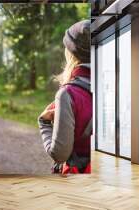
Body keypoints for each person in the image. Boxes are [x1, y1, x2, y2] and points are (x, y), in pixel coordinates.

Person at [38, 20, 92, 174]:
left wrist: (44, 123)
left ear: (71, 54)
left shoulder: (68, 94)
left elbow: (60, 155)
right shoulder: (114, 86)